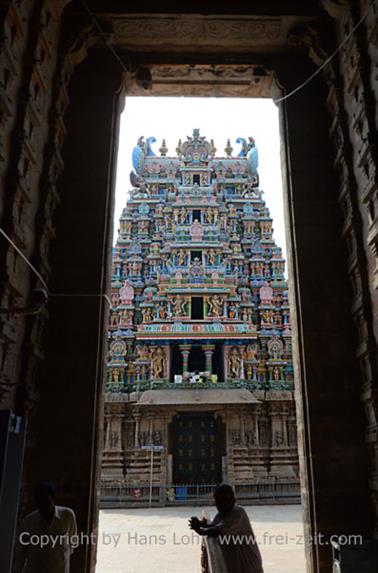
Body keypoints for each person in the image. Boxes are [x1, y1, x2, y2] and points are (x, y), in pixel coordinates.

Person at [189, 484, 264, 573]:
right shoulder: (221, 515)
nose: (222, 504)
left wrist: (201, 531)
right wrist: (202, 524)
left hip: (248, 564)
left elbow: (219, 530)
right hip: (235, 563)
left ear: (232, 500)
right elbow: (214, 525)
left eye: (225, 500)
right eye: (219, 501)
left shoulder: (238, 513)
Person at [16, 482, 77, 573]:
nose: (43, 506)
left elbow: (73, 542)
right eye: (40, 502)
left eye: (46, 501)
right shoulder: (29, 522)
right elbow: (22, 552)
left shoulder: (67, 516)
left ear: (53, 499)